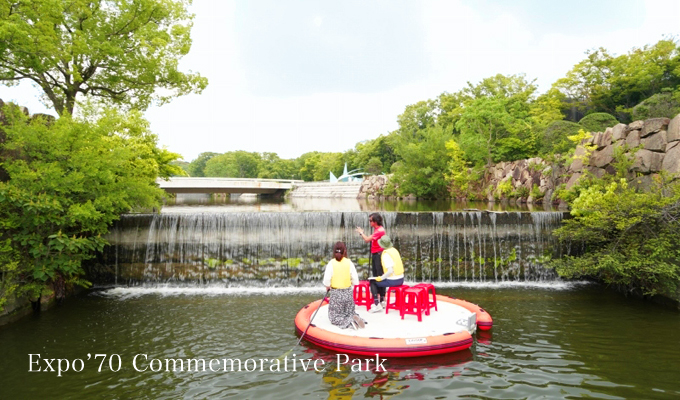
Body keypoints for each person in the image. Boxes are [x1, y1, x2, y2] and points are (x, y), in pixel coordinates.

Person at [322, 241, 365, 329]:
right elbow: (356, 281)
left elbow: (326, 280)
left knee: (334, 317)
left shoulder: (331, 263)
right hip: (348, 294)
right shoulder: (349, 263)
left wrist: (327, 286)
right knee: (348, 312)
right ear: (344, 251)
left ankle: (350, 323)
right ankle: (353, 317)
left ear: (334, 252)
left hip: (337, 295)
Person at [355, 212, 386, 304]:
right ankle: (379, 297)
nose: (369, 222)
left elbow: (367, 240)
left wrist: (361, 233)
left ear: (375, 221)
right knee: (377, 275)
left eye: (370, 220)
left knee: (378, 276)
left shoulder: (380, 230)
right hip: (376, 254)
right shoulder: (377, 229)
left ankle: (381, 298)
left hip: (378, 255)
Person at [367, 236, 404, 313]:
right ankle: (382, 301)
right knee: (379, 281)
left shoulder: (386, 254)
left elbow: (390, 271)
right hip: (401, 279)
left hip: (394, 280)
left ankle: (377, 304)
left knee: (373, 282)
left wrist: (381, 278)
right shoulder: (394, 250)